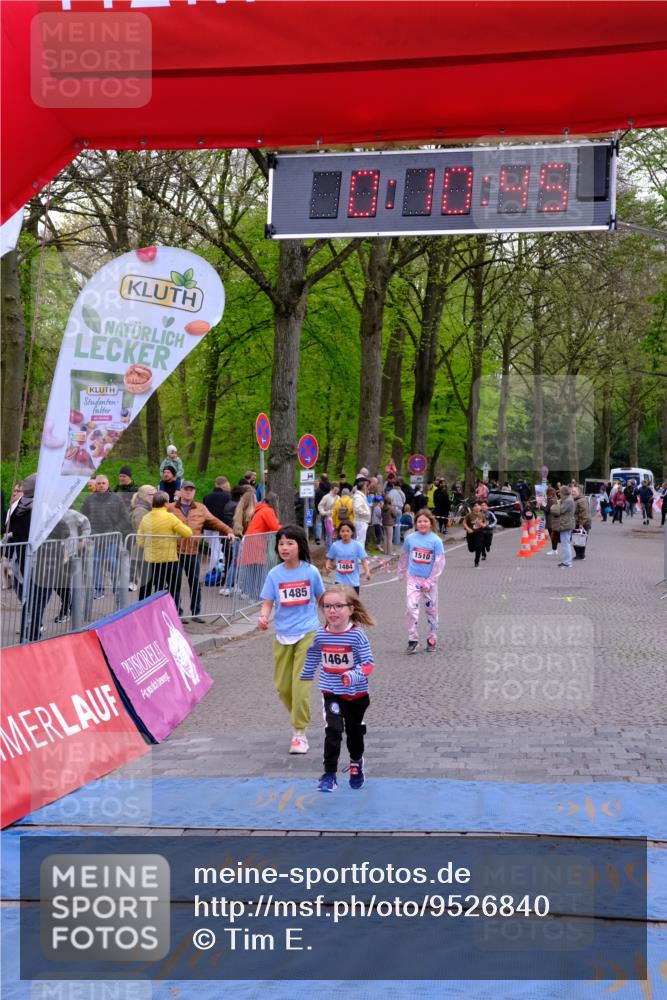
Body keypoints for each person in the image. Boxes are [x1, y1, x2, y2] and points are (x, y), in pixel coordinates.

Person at [301, 585, 376, 792]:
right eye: (327, 607)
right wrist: (307, 674)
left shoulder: (357, 636)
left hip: (356, 694)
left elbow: (368, 664)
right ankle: (329, 774)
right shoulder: (320, 635)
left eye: (338, 606)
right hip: (331, 691)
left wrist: (351, 676)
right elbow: (313, 655)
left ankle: (356, 762)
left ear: (351, 609)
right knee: (333, 730)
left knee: (354, 732)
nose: (332, 611)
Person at [258, 526, 325, 755]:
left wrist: (333, 623)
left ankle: (299, 733)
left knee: (300, 685)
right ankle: (298, 714)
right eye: (281, 544)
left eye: (290, 543)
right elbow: (267, 601)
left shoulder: (311, 572)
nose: (284, 548)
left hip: (308, 633)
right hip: (283, 634)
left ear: (300, 545)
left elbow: (321, 599)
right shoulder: (274, 574)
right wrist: (264, 617)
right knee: (284, 687)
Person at [169, 481, 235, 622]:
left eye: (191, 490)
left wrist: (229, 530)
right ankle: (177, 613)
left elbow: (215, 521)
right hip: (174, 551)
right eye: (186, 489)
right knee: (175, 583)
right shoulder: (170, 507)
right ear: (180, 491)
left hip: (192, 552)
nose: (189, 492)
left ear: (194, 492)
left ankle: (196, 612)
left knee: (194, 583)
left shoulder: (201, 508)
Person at [398, 509, 445, 653]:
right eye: (419, 521)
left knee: (432, 611)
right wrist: (401, 573)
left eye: (425, 521)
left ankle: (432, 638)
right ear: (416, 523)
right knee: (411, 608)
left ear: (431, 523)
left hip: (430, 582)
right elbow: (404, 557)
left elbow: (439, 563)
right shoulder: (410, 539)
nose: (422, 524)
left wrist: (430, 581)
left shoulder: (436, 541)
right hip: (413, 580)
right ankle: (413, 639)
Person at [81, 474, 132, 603]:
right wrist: (89, 531)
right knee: (94, 562)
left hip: (111, 539)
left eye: (103, 483)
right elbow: (83, 517)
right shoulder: (89, 499)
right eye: (99, 483)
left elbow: (125, 518)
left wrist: (115, 530)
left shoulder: (116, 499)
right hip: (94, 538)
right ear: (95, 485)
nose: (101, 486)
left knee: (111, 562)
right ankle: (99, 590)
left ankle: (117, 589)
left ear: (108, 485)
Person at [136, 492, 192, 605]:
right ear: (166, 503)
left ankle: (144, 611)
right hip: (169, 560)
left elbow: (140, 541)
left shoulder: (146, 518)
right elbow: (188, 533)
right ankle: (173, 612)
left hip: (150, 560)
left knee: (148, 589)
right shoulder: (170, 517)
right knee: (173, 589)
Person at [236, 491, 281, 599]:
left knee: (252, 569)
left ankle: (251, 594)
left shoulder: (260, 509)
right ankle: (261, 596)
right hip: (257, 541)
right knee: (260, 570)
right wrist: (288, 530)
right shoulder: (268, 510)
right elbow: (275, 527)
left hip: (250, 540)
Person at [325, 522, 370, 594]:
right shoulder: (335, 545)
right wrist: (327, 566)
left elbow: (363, 560)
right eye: (342, 531)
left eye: (348, 531)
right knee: (340, 601)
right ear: (339, 533)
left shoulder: (357, 545)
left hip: (354, 582)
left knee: (353, 601)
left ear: (352, 532)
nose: (345, 533)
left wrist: (367, 572)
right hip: (339, 581)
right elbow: (329, 558)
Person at [203, 476, 232, 567]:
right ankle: (215, 570)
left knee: (214, 549)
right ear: (225, 484)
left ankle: (214, 569)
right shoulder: (227, 496)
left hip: (207, 526)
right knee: (218, 550)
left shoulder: (207, 497)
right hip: (220, 527)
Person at [550, 485, 575, 568]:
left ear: (563, 492)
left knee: (566, 544)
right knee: (565, 544)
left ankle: (567, 562)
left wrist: (555, 504)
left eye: (560, 492)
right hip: (565, 524)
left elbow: (558, 511)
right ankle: (566, 561)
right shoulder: (567, 500)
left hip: (566, 524)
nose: (559, 494)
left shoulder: (568, 501)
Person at [463, 501, 487, 568]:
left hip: (479, 533)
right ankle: (474, 548)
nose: (477, 507)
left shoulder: (482, 515)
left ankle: (476, 562)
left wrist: (483, 524)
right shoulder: (469, 515)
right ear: (472, 507)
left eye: (478, 505)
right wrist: (468, 529)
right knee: (471, 549)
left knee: (479, 547)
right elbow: (464, 523)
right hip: (471, 533)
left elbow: (485, 522)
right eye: (475, 506)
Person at [572, 486, 592, 560]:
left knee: (581, 539)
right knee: (576, 539)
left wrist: (581, 524)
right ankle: (579, 555)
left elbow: (584, 513)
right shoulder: (576, 500)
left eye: (574, 491)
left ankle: (581, 555)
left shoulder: (581, 500)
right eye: (572, 491)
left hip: (583, 523)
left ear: (579, 492)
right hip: (577, 522)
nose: (572, 493)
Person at [351, 478, 372, 548]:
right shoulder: (358, 497)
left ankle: (360, 553)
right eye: (366, 486)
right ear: (363, 487)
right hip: (361, 521)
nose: (367, 488)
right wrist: (367, 513)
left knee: (361, 540)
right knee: (360, 540)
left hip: (362, 520)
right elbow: (357, 509)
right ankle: (359, 554)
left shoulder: (361, 496)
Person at [318, 483, 339, 549]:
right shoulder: (326, 497)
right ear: (332, 489)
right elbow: (320, 506)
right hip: (328, 518)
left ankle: (335, 549)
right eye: (335, 490)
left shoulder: (338, 497)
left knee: (336, 534)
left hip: (336, 518)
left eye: (337, 490)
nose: (336, 491)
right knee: (329, 535)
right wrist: (324, 513)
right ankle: (329, 550)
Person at [545, 485, 560, 554]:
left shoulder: (551, 500)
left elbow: (548, 510)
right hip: (553, 520)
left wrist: (541, 506)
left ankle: (554, 549)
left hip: (550, 520)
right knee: (554, 535)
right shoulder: (555, 499)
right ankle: (554, 549)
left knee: (553, 536)